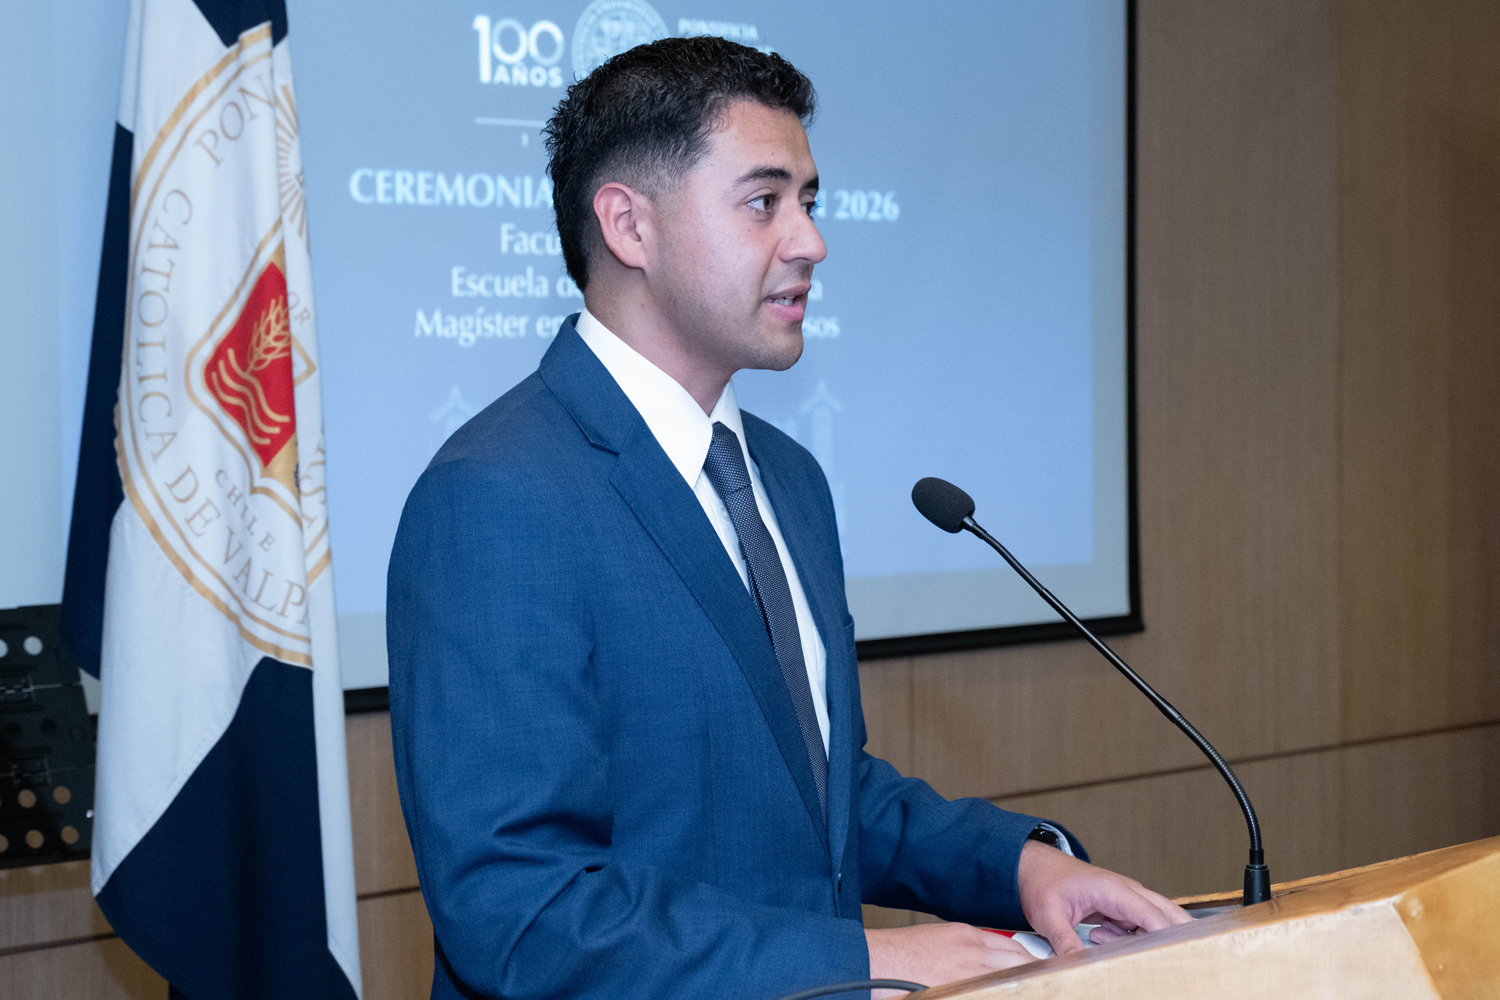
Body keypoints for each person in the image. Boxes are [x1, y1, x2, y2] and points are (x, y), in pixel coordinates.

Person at [386, 36, 1190, 1000]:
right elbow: (519, 912)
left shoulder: (787, 478)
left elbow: (818, 799)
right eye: (764, 202)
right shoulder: (494, 497)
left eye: (809, 200)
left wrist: (1022, 867)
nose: (810, 240)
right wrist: (865, 959)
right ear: (629, 226)